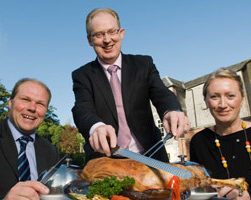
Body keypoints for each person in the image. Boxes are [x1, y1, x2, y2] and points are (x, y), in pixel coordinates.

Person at [72, 8, 190, 163]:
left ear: (121, 33)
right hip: (106, 161)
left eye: (112, 31)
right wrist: (95, 127)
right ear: (90, 40)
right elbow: (82, 107)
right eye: (99, 34)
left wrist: (171, 110)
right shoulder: (82, 75)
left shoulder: (143, 64)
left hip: (151, 157)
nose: (107, 40)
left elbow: (160, 93)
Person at [189, 68, 251, 200]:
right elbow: (199, 193)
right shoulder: (199, 141)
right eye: (214, 96)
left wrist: (250, 197)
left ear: (242, 99)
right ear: (206, 101)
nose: (223, 104)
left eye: (230, 96)